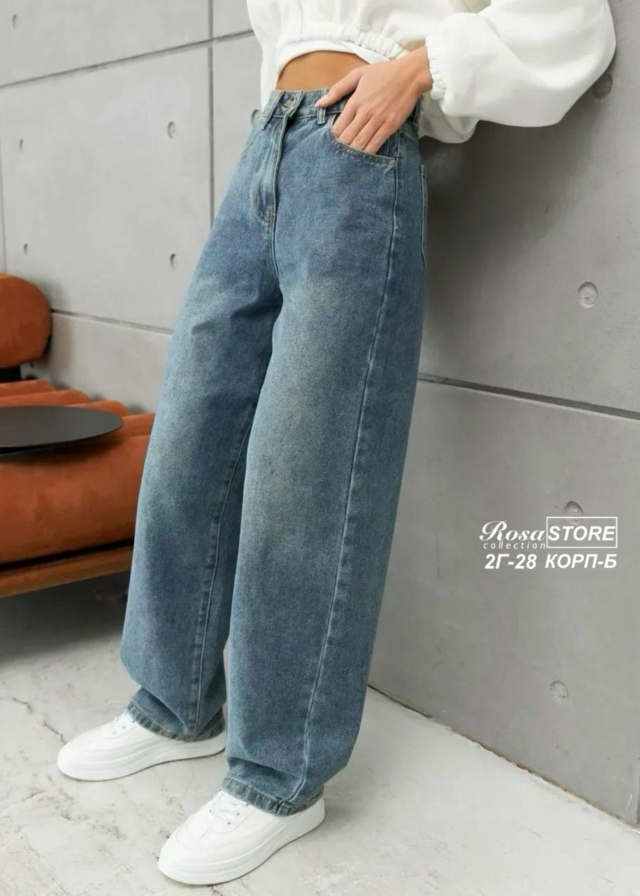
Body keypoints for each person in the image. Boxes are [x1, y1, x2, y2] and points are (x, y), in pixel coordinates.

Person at [57, 0, 616, 887]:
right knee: (188, 444)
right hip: (267, 148)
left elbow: (575, 25)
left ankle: (279, 776)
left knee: (305, 469)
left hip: (361, 154)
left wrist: (419, 69)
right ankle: (172, 702)